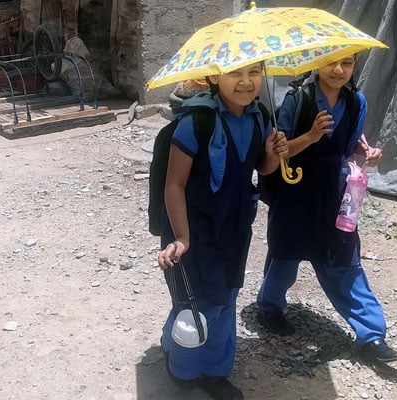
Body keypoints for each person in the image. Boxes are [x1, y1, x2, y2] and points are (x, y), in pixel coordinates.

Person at [255, 55, 397, 364]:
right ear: (317, 64)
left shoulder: (356, 102)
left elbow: (349, 147)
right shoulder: (297, 99)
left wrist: (367, 152)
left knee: (344, 259)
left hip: (335, 192)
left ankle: (371, 334)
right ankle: (269, 307)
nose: (339, 70)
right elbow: (280, 154)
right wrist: (310, 136)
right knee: (285, 253)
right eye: (331, 62)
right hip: (296, 186)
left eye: (347, 64)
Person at [157, 62, 288, 400]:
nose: (246, 82)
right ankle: (182, 367)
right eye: (235, 73)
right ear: (215, 76)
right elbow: (174, 184)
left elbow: (261, 167)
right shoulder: (196, 122)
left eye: (255, 72)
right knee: (199, 302)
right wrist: (182, 238)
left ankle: (215, 371)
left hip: (235, 224)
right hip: (195, 228)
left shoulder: (258, 115)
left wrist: (273, 154)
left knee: (227, 294)